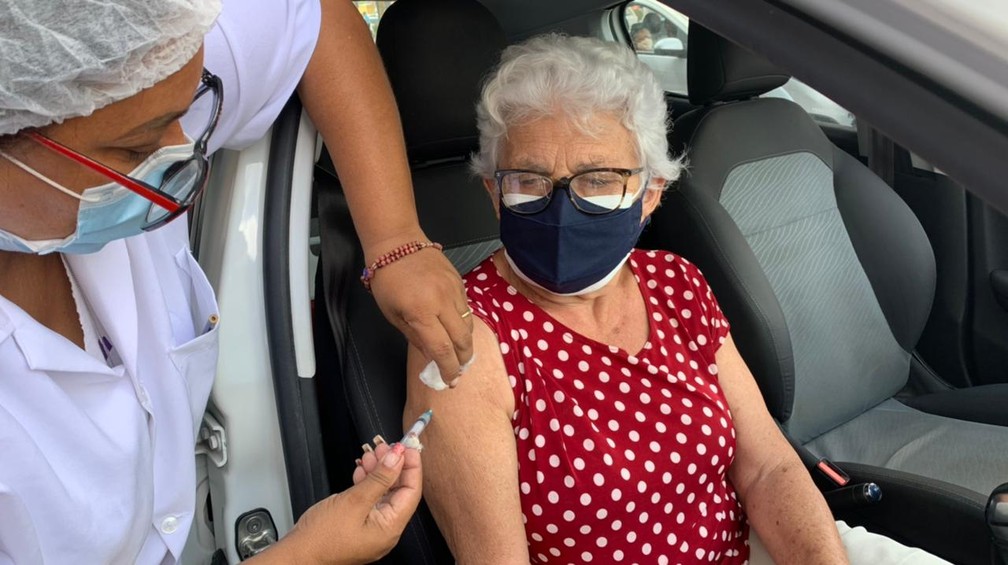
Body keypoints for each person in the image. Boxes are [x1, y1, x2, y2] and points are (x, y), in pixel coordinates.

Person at [405, 34, 950, 564]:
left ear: (651, 194)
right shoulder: (461, 332)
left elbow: (765, 467)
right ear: (493, 195)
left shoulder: (676, 283)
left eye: (599, 180)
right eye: (529, 179)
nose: (564, 208)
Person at [0, 0, 466, 562]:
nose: (182, 154)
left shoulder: (116, 62)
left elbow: (313, 16)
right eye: (134, 147)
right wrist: (305, 554)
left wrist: (395, 240)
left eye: (195, 96)